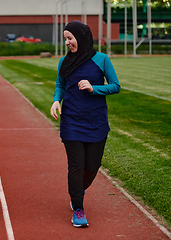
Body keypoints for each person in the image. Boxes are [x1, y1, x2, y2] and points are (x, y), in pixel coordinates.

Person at [50, 21, 120, 228]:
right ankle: (78, 208)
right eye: (65, 39)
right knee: (76, 166)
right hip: (71, 121)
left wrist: (94, 88)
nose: (67, 43)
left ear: (81, 37)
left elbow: (115, 86)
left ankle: (76, 193)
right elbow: (60, 85)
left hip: (96, 122)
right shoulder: (64, 61)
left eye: (70, 38)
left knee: (92, 167)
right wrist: (56, 100)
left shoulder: (102, 60)